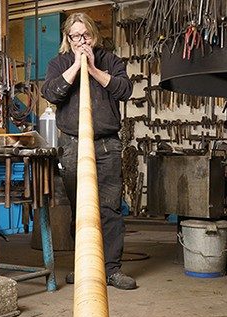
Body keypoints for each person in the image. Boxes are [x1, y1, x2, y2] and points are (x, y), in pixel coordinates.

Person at [41, 13, 136, 290]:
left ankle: (110, 270)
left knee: (109, 208)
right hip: (72, 144)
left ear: (93, 36)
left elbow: (125, 90)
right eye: (75, 36)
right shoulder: (58, 63)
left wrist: (92, 68)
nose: (81, 41)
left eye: (86, 36)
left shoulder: (109, 60)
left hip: (106, 144)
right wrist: (76, 66)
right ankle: (84, 266)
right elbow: (52, 93)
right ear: (67, 39)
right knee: (80, 209)